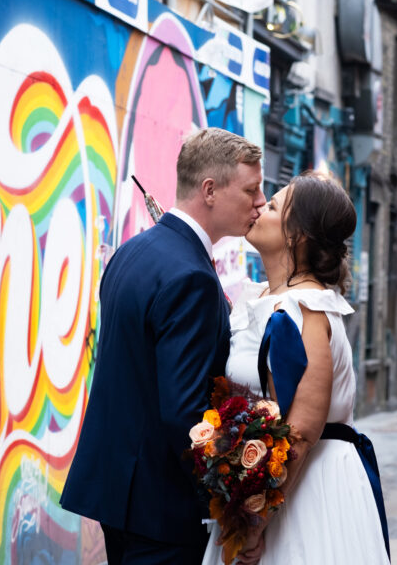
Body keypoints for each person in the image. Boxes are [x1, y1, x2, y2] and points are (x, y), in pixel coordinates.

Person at [60, 128, 266, 563]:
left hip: (115, 492)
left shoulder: (132, 252)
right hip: (160, 507)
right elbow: (184, 413)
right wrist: (231, 499)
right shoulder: (190, 276)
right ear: (210, 190)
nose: (261, 202)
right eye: (251, 189)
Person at [202, 171, 390, 564]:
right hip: (276, 490)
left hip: (307, 495)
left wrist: (255, 525)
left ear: (297, 236)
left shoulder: (305, 309)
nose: (259, 206)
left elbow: (302, 431)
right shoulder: (275, 299)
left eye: (271, 206)